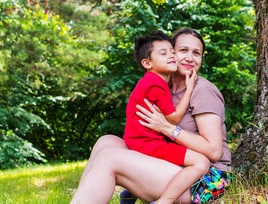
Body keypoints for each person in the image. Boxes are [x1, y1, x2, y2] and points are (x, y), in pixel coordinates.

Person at [71, 28, 232, 204]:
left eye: (196, 53)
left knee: (109, 158)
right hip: (175, 165)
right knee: (106, 142)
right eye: (183, 51)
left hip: (205, 179)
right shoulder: (162, 85)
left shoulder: (203, 91)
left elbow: (214, 152)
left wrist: (168, 128)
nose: (190, 58)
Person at [123, 30, 209, 204]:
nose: (171, 56)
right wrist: (190, 88)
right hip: (149, 144)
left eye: (172, 51)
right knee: (201, 162)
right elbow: (174, 119)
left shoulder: (150, 81)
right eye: (163, 53)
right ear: (147, 63)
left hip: (139, 141)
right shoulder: (156, 84)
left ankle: (130, 193)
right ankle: (165, 201)